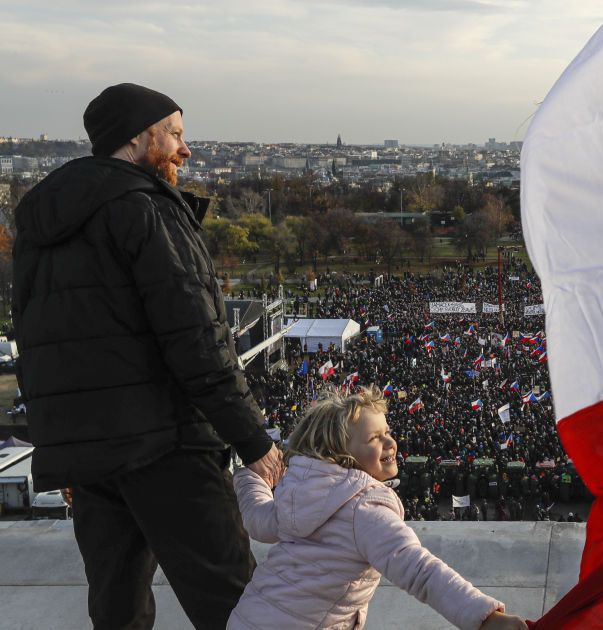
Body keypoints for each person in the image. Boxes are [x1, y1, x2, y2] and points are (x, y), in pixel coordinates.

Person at [11, 83, 285, 629]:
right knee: (237, 605)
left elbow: (40, 347)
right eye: (176, 135)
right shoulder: (144, 208)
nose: (187, 150)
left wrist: (68, 446)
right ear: (137, 138)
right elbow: (198, 337)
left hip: (93, 454)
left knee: (117, 607)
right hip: (166, 442)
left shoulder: (41, 223)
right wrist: (254, 441)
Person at [230, 386, 527, 630]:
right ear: (340, 452)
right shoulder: (364, 506)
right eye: (375, 438)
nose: (390, 442)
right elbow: (420, 570)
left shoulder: (297, 492)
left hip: (248, 619)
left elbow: (258, 518)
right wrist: (484, 618)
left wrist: (248, 476)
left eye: (387, 432)